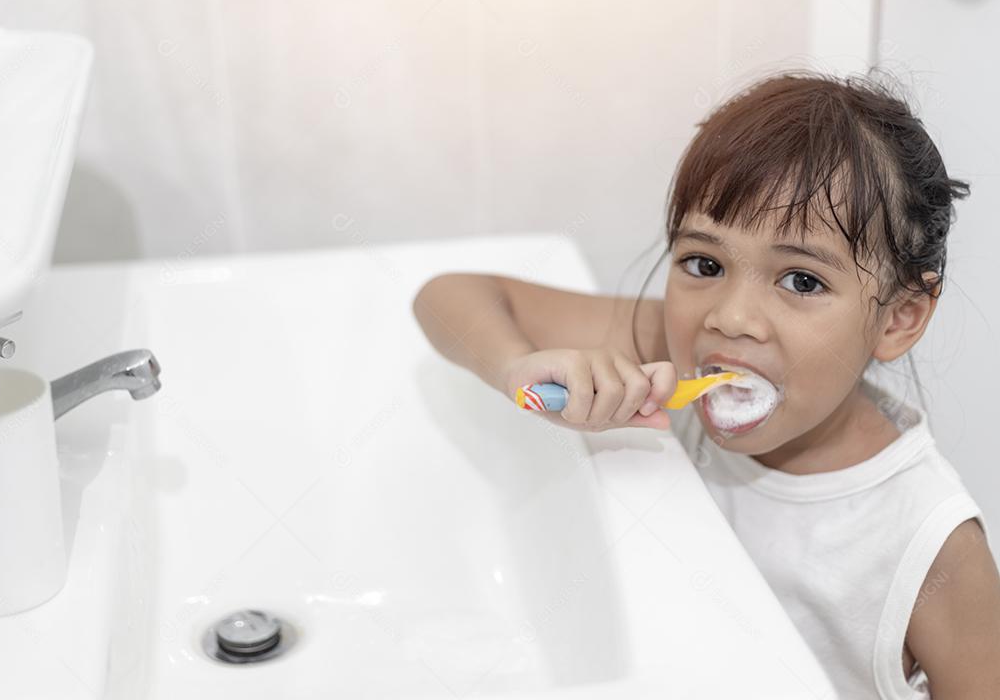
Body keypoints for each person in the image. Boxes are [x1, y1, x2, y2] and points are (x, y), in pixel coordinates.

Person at [412, 71, 1000, 698]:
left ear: (898, 317)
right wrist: (514, 368)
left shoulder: (931, 546)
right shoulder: (673, 347)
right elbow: (448, 296)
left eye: (801, 281)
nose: (730, 316)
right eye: (705, 264)